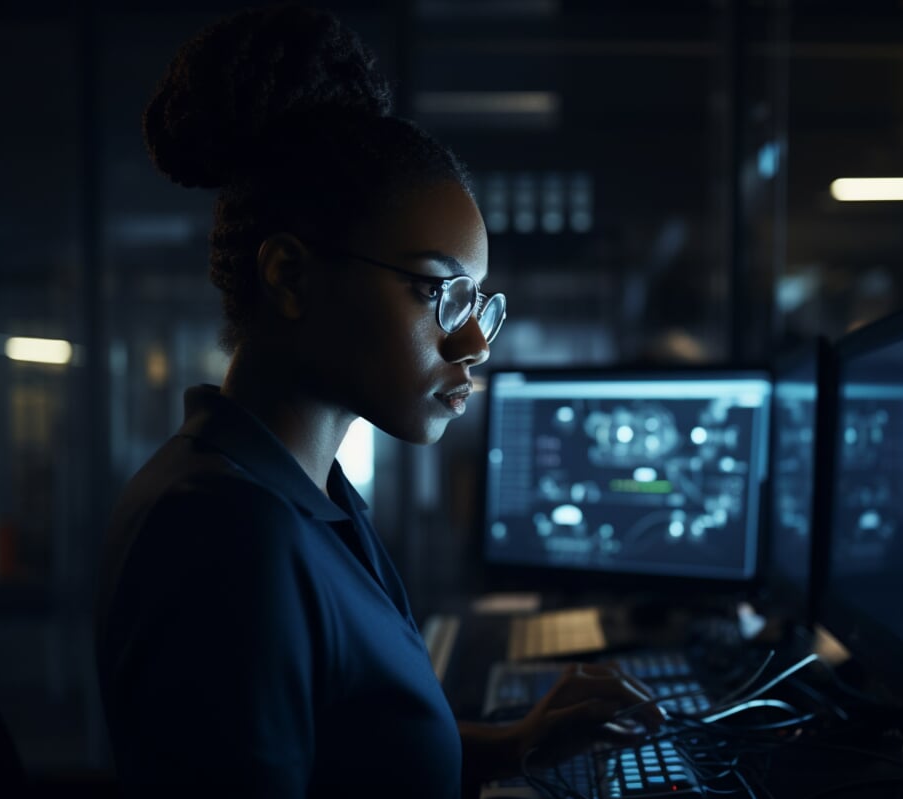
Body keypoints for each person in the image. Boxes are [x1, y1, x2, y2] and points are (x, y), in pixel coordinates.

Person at [92, 3, 663, 796]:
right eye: (438, 293)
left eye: (478, 304)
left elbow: (359, 755)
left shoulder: (301, 498)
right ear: (290, 276)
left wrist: (521, 741)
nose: (473, 344)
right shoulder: (225, 532)